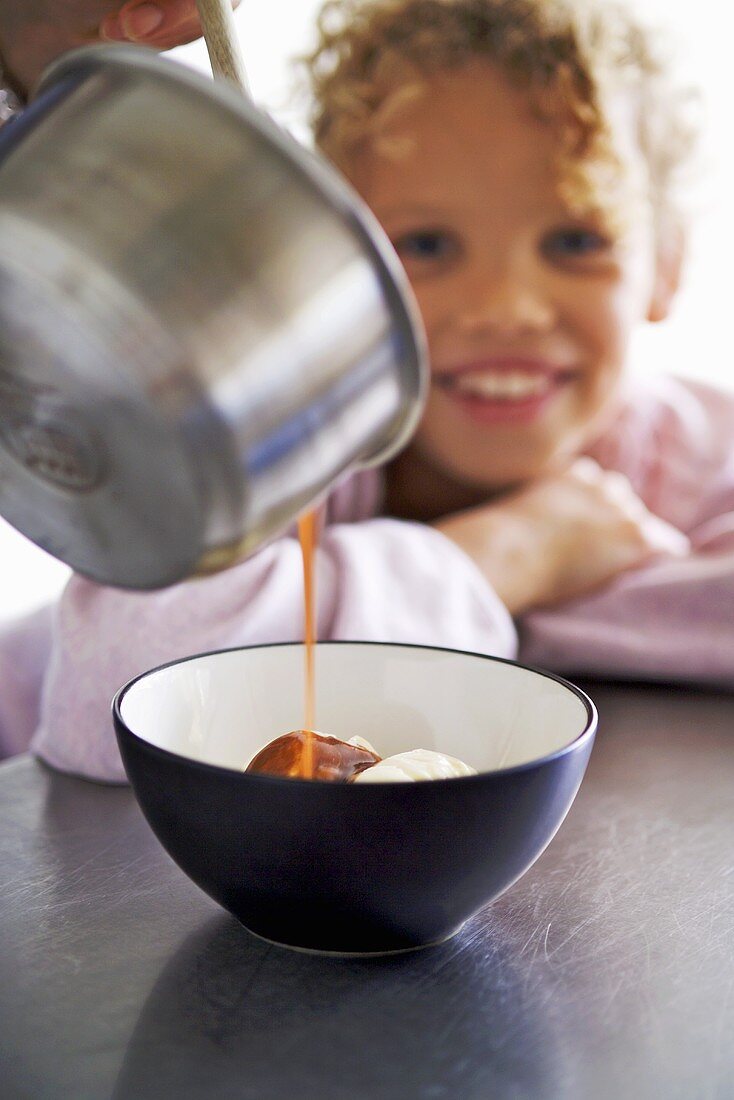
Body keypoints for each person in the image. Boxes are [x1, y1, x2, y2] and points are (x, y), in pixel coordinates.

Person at [2, 0, 734, 783]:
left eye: (576, 241)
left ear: (668, 264)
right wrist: (514, 552)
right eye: (423, 244)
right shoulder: (286, 443)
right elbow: (111, 700)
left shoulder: (699, 455)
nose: (505, 309)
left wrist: (293, 617)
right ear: (322, 270)